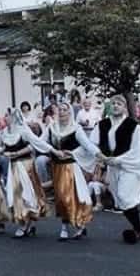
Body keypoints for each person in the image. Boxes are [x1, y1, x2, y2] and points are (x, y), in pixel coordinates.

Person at [89, 94, 140, 244]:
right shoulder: (102, 125)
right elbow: (91, 144)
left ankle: (138, 229)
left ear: (125, 108)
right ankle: (138, 229)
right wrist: (99, 157)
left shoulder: (133, 126)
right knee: (121, 200)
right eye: (113, 103)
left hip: (129, 167)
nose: (115, 106)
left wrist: (119, 159)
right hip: (112, 168)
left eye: (119, 104)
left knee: (125, 196)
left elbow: (137, 151)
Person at [1, 108, 64, 238]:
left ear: (13, 117)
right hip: (13, 166)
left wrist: (54, 151)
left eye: (7, 115)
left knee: (24, 192)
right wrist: (2, 152)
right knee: (14, 192)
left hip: (25, 165)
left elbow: (36, 143)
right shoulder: (5, 133)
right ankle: (26, 222)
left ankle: (25, 223)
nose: (5, 118)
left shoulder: (23, 131)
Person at [44, 102, 98, 241]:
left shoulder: (76, 129)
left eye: (65, 110)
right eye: (60, 110)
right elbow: (41, 142)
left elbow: (87, 145)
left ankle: (72, 225)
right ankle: (71, 226)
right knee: (61, 198)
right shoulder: (51, 128)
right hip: (56, 167)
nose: (62, 112)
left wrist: (74, 153)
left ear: (69, 113)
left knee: (68, 197)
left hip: (70, 168)